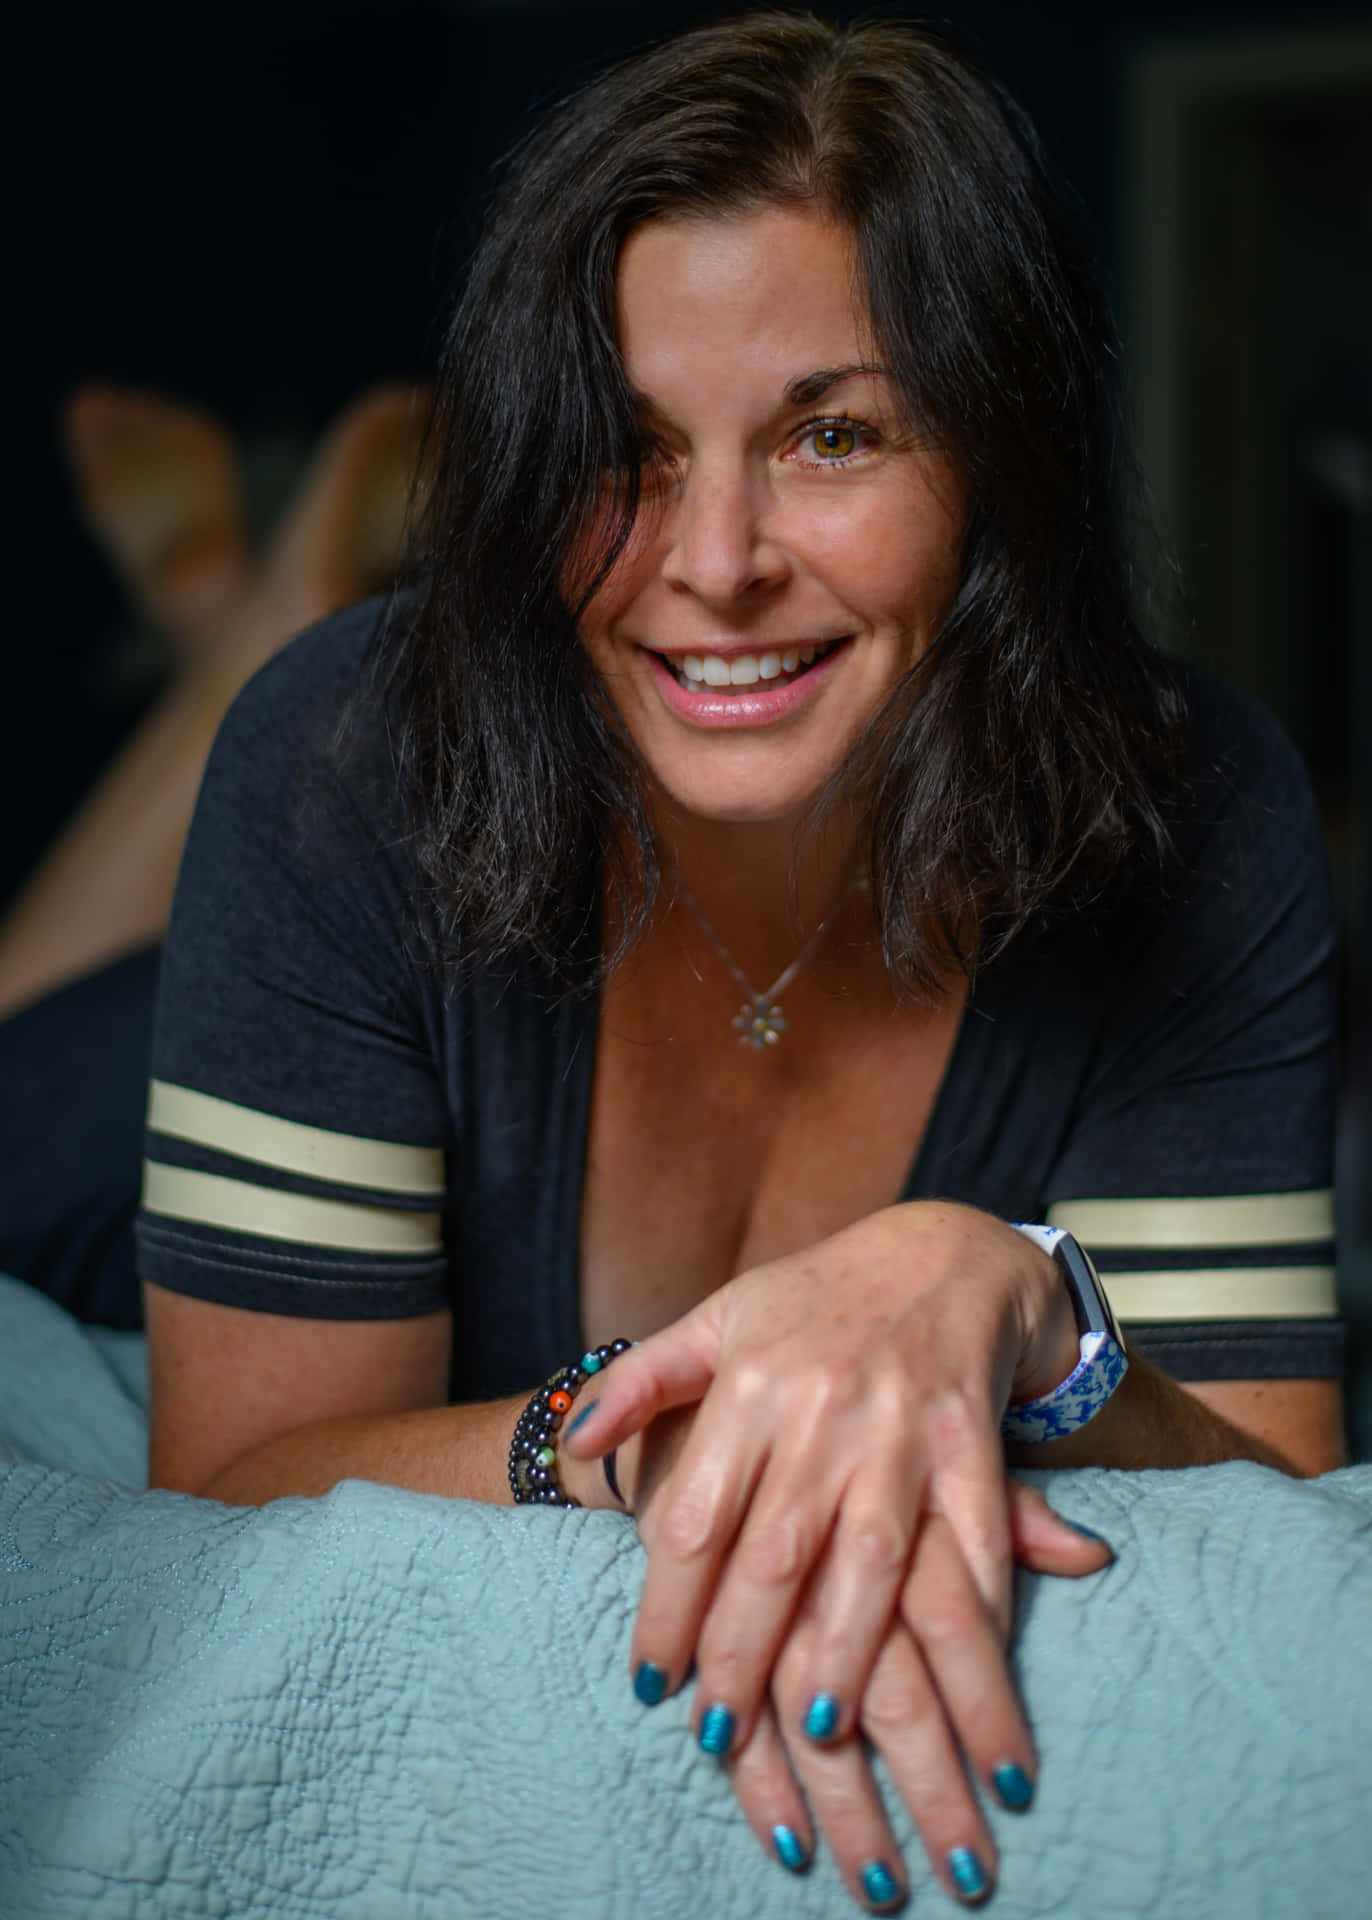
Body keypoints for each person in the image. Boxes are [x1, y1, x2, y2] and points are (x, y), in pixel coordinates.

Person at [1, 14, 1345, 1914]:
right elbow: (229, 1481)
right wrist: (669, 1432)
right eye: (623, 453)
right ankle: (273, 595)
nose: (715, 560)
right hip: (111, 1097)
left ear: (1003, 469)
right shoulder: (348, 769)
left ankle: (254, 583)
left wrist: (1011, 1297)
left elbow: (1279, 1492)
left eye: (833, 435)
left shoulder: (1199, 811)